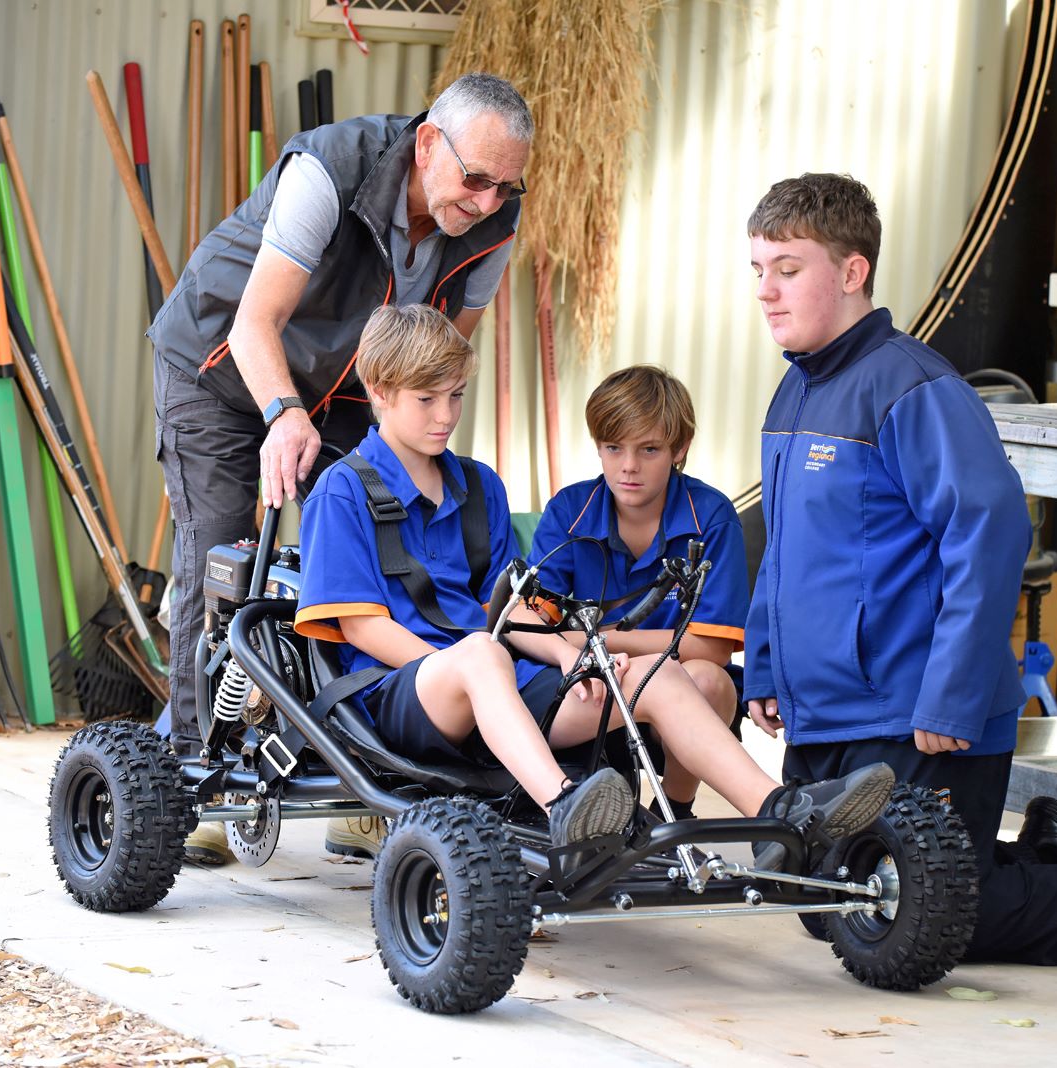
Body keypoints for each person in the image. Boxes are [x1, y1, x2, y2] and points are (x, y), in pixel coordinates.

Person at [742, 172, 1057, 964]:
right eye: (758, 270)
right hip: (832, 711)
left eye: (788, 268)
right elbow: (786, 550)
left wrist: (953, 694)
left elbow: (990, 538)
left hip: (913, 713)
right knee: (823, 900)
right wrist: (764, 665)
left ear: (852, 271)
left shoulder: (914, 388)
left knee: (923, 911)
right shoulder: (794, 393)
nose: (767, 292)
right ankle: (1055, 858)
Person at [294, 304, 895, 864]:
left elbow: (515, 607)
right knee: (479, 653)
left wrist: (566, 653)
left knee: (650, 677)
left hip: (500, 681)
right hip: (404, 694)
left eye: (455, 396)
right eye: (427, 400)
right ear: (378, 392)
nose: (447, 415)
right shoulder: (343, 491)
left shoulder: (480, 488)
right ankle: (564, 806)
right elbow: (361, 626)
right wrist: (473, 670)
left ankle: (782, 810)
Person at [147, 73, 531, 863]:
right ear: (429, 144)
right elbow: (257, 324)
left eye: (507, 184)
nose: (489, 202)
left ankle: (361, 770)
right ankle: (200, 776)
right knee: (225, 555)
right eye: (476, 179)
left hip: (350, 385)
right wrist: (283, 414)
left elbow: (439, 354)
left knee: (372, 556)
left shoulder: (493, 222)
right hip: (220, 367)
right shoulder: (328, 172)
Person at [527, 365, 747, 821]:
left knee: (709, 678)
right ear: (599, 447)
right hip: (594, 687)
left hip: (683, 692)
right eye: (613, 448)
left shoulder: (713, 516)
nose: (629, 467)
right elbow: (537, 621)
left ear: (679, 449)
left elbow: (713, 647)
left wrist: (602, 637)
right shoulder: (569, 509)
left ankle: (675, 812)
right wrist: (585, 649)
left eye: (649, 449)